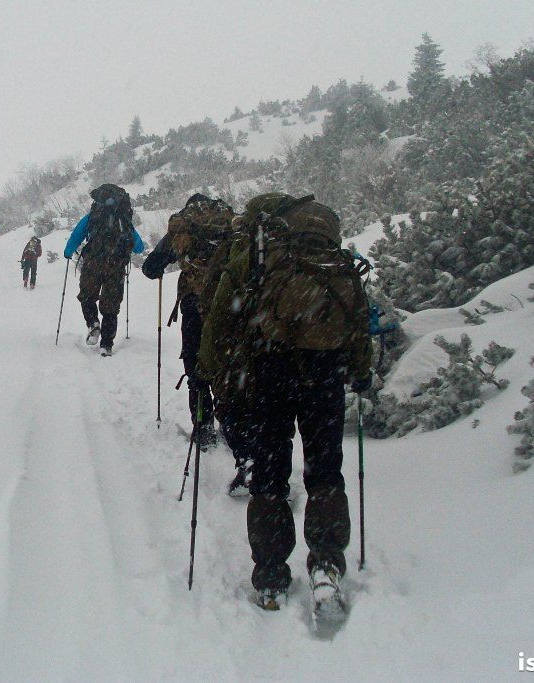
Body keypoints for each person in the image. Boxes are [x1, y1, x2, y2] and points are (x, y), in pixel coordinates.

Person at [197, 193, 373, 612]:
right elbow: (357, 318)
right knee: (326, 470)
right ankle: (327, 562)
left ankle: (272, 575)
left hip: (269, 371)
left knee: (271, 474)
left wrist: (210, 367)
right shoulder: (332, 259)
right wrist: (360, 373)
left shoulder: (260, 250)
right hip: (325, 375)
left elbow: (222, 310)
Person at [141, 193, 234, 458]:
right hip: (229, 304)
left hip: (194, 303)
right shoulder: (229, 224)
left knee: (195, 364)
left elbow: (151, 268)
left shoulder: (183, 227)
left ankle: (203, 428)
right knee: (227, 364)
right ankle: (231, 425)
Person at [63, 184, 145, 356]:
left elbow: (76, 236)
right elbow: (139, 247)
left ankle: (93, 323)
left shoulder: (93, 216)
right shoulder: (124, 219)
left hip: (93, 263)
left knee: (87, 296)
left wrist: (68, 252)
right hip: (116, 267)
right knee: (111, 307)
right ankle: (106, 345)